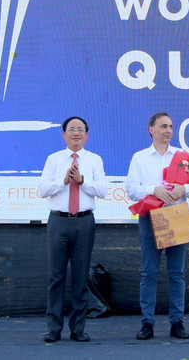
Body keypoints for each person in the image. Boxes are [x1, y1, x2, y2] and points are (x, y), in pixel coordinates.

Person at [125, 112, 189, 340]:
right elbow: (131, 189)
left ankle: (177, 323)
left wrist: (183, 189)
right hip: (150, 217)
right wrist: (154, 190)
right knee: (149, 272)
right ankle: (147, 323)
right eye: (163, 126)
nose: (168, 130)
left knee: (177, 273)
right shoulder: (140, 157)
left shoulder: (182, 156)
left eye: (170, 126)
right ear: (151, 129)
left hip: (176, 215)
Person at [37, 116, 107, 343]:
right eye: (71, 129)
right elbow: (42, 190)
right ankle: (53, 329)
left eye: (80, 129)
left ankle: (78, 328)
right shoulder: (54, 159)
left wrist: (82, 180)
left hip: (84, 222)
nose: (76, 132)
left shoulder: (94, 159)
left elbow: (103, 190)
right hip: (59, 221)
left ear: (87, 134)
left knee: (80, 276)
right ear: (64, 134)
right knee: (55, 276)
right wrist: (64, 181)